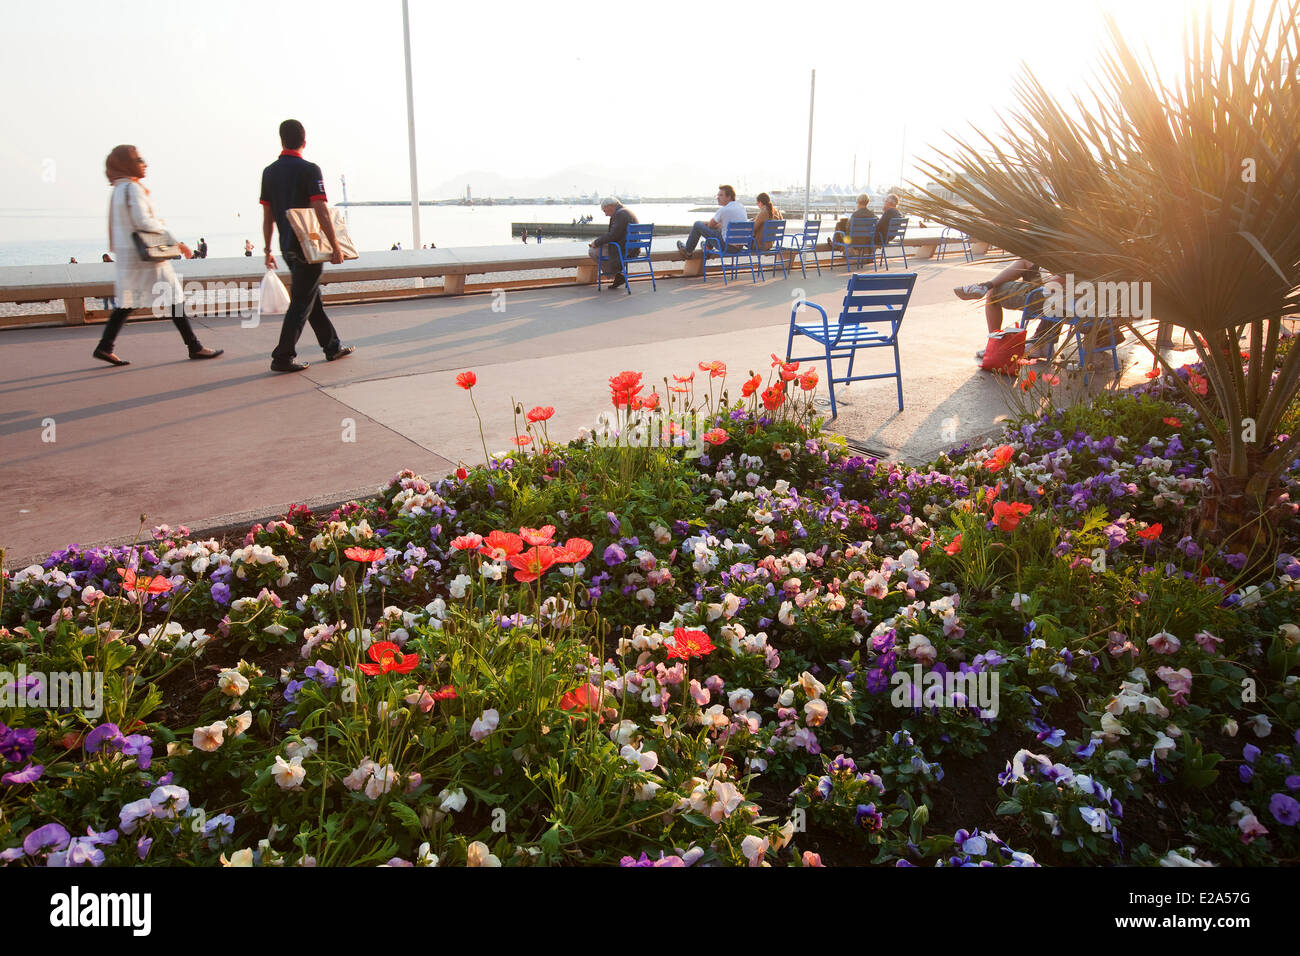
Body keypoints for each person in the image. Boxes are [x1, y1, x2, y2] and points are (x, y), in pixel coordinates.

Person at [93, 145, 222, 366]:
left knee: (128, 301)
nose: (144, 164)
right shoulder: (132, 188)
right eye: (139, 159)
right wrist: (174, 240)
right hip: (146, 255)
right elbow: (143, 221)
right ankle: (194, 346)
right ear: (127, 163)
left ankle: (105, 346)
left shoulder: (118, 189)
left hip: (130, 256)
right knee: (173, 296)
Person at [260, 119, 353, 373]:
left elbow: (268, 215)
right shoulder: (310, 170)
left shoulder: (269, 172)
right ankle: (282, 356)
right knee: (302, 300)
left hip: (286, 245)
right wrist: (335, 245)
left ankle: (331, 346)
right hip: (308, 247)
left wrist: (268, 249)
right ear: (304, 141)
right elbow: (320, 209)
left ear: (281, 140)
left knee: (311, 297)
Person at [955, 259, 1066, 360]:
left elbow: (1061, 277)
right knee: (1025, 261)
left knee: (993, 293)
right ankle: (984, 286)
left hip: (1053, 296)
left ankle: (995, 345)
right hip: (1066, 295)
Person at [677, 184, 749, 257]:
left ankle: (688, 251)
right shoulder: (741, 207)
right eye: (718, 195)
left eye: (721, 195)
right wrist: (718, 226)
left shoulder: (723, 210)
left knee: (697, 225)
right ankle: (707, 247)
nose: (718, 198)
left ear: (729, 197)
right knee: (718, 230)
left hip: (727, 247)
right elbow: (726, 226)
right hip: (739, 247)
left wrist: (705, 224)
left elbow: (710, 226)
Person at [587, 196, 639, 290]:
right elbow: (619, 235)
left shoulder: (620, 214)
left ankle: (615, 274)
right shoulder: (627, 211)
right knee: (600, 248)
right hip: (632, 248)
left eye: (605, 211)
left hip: (624, 251)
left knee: (592, 251)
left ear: (610, 206)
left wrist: (596, 242)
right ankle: (618, 274)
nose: (606, 214)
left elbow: (613, 235)